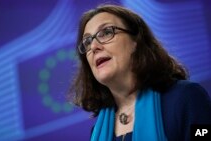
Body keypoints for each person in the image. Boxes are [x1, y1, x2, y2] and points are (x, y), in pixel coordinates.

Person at [69, 4, 211, 141]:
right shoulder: (97, 132)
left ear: (136, 41)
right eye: (87, 42)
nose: (94, 46)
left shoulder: (186, 98)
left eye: (106, 32)